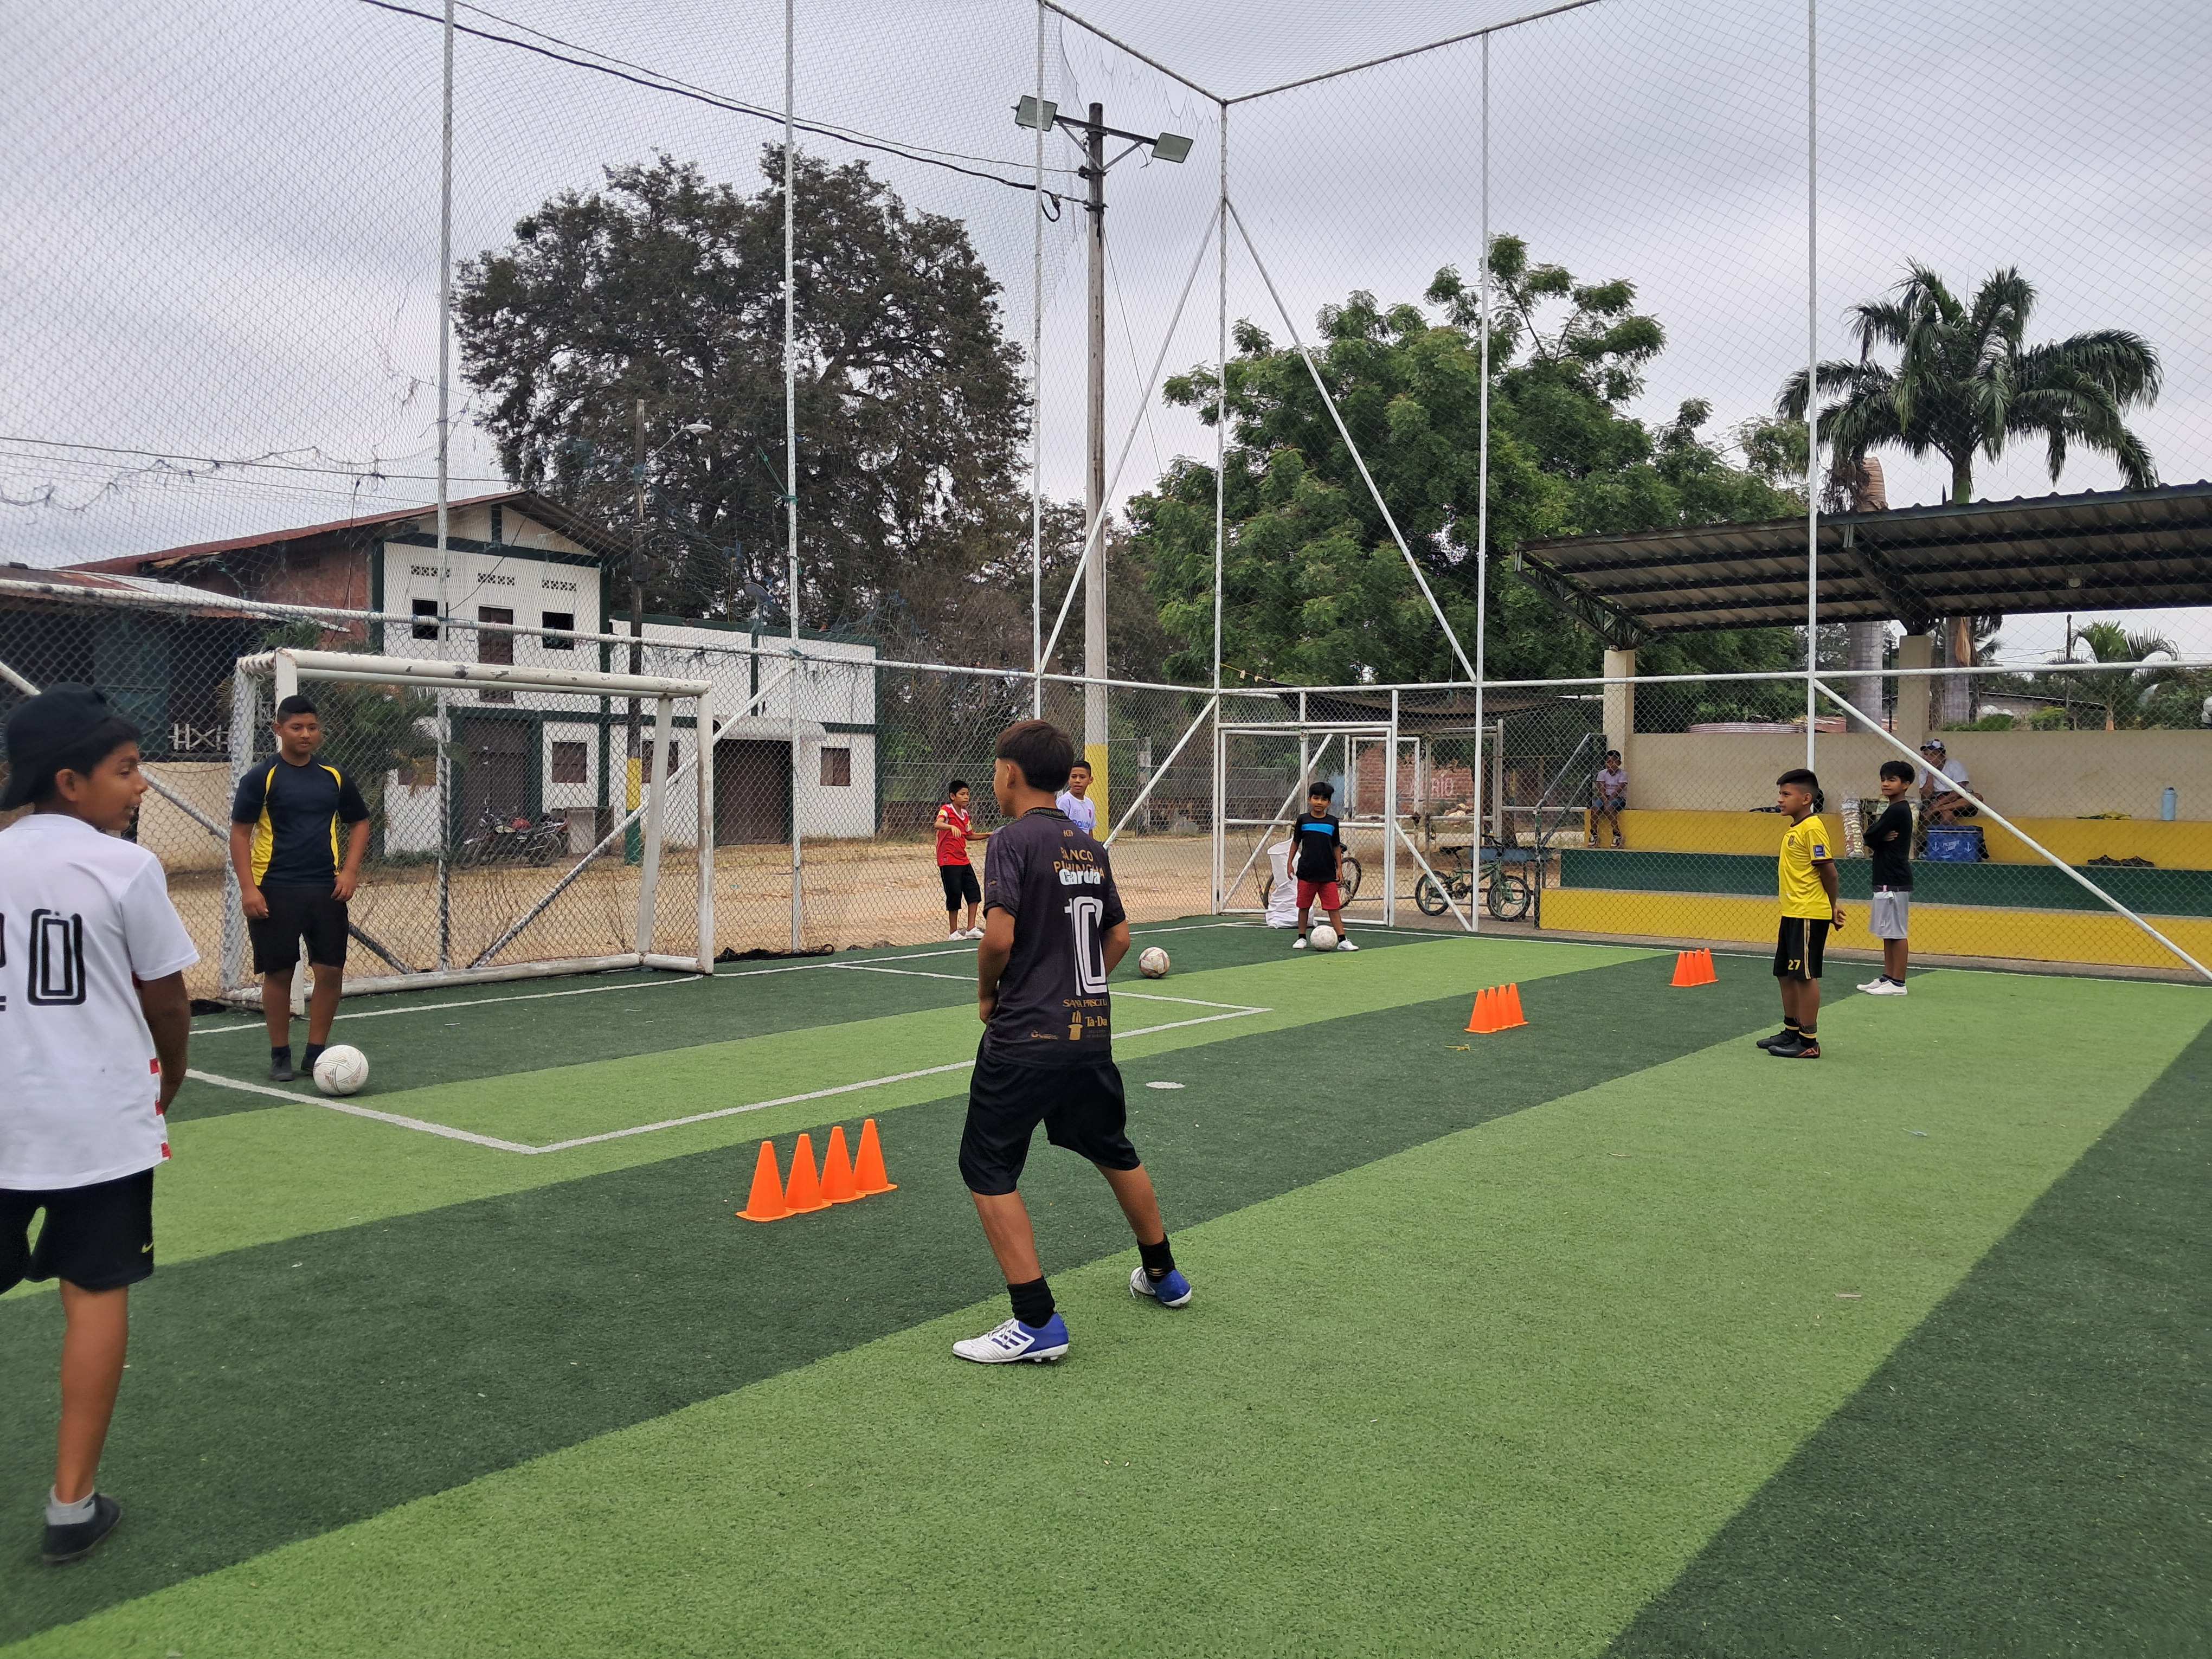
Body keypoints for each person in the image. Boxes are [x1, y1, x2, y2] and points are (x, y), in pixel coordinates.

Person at [0, 685, 197, 1564]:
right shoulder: (125, 868)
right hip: (96, 1119)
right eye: (126, 770)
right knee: (94, 1292)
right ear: (70, 781)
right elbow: (169, 1003)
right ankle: (71, 1507)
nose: (142, 784)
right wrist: (171, 1079)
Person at [953, 719, 1189, 1364]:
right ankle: (1164, 1275)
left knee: (986, 1166)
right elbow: (1120, 937)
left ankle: (1036, 1321)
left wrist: (987, 994)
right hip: (1088, 1033)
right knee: (1113, 1149)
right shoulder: (1088, 845)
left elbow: (998, 938)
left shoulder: (1010, 842)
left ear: (1010, 773)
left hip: (1024, 1037)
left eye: (996, 769)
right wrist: (1075, 986)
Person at [229, 695, 370, 1082]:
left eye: (312, 727)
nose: (305, 734)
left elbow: (360, 822)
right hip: (274, 888)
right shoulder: (261, 777)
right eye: (296, 727)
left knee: (330, 971)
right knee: (278, 972)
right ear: (279, 730)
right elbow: (240, 835)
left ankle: (316, 1053)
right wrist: (249, 889)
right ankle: (280, 1054)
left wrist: (350, 871)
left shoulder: (334, 776)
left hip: (326, 889)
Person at [1758, 768, 1843, 1060]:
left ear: (1806, 799)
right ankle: (1791, 1030)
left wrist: (1832, 906)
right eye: (1780, 794)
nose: (1780, 800)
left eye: (1786, 794)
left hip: (1809, 913)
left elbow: (1830, 873)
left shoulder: (1813, 828)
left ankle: (1809, 1040)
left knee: (1804, 976)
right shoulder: (1795, 828)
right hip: (1792, 912)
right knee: (1785, 973)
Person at [1859, 760, 1914, 996]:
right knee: (1887, 932)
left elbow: (1869, 836)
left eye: (1892, 780)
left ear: (1906, 785)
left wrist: (1877, 837)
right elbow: (1871, 836)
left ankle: (1898, 983)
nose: (1885, 784)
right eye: (1883, 779)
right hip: (1885, 878)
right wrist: (1878, 837)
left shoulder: (1898, 810)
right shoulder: (1892, 809)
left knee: (1897, 932)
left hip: (1895, 879)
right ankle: (1887, 977)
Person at [1289, 781, 1359, 951]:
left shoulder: (1332, 822)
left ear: (1329, 803)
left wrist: (1339, 869)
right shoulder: (1302, 820)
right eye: (1316, 798)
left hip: (1327, 874)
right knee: (1304, 906)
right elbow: (1296, 842)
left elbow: (1336, 846)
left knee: (1333, 908)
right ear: (1309, 799)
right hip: (1306, 873)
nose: (1319, 802)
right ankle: (1301, 938)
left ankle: (1342, 940)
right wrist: (1289, 863)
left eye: (1324, 799)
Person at [933, 779, 990, 942]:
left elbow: (969, 835)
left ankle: (971, 929)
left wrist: (989, 835)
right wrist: (951, 827)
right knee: (954, 894)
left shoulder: (965, 814)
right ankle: (954, 932)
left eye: (968, 794)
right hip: (948, 860)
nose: (966, 797)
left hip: (963, 859)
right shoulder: (946, 810)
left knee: (974, 892)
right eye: (962, 794)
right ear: (953, 796)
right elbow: (938, 824)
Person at [1917, 738, 1975, 825]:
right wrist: (1930, 772)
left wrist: (1937, 806)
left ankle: (1936, 809)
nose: (1928, 758)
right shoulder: (1923, 771)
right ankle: (1941, 810)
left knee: (1978, 797)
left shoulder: (1954, 765)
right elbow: (1926, 796)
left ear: (1943, 757)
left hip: (1957, 798)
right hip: (1939, 798)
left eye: (1933, 755)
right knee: (1947, 816)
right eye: (1926, 754)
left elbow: (1960, 791)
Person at [1591, 750, 1629, 847]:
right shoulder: (1602, 773)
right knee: (1595, 808)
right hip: (1605, 797)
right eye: (1608, 762)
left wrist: (1609, 801)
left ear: (1619, 763)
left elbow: (1619, 789)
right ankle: (1594, 834)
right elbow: (1601, 789)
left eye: (1614, 761)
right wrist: (1605, 800)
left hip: (1619, 798)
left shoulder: (1623, 774)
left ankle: (1617, 834)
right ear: (1605, 763)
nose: (1611, 764)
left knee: (1608, 808)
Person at [1055, 758, 1098, 834]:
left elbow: (1090, 831)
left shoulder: (1090, 804)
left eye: (1082, 777)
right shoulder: (1065, 802)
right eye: (1074, 777)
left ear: (1090, 780)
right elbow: (1058, 829)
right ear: (1069, 779)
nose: (1077, 781)